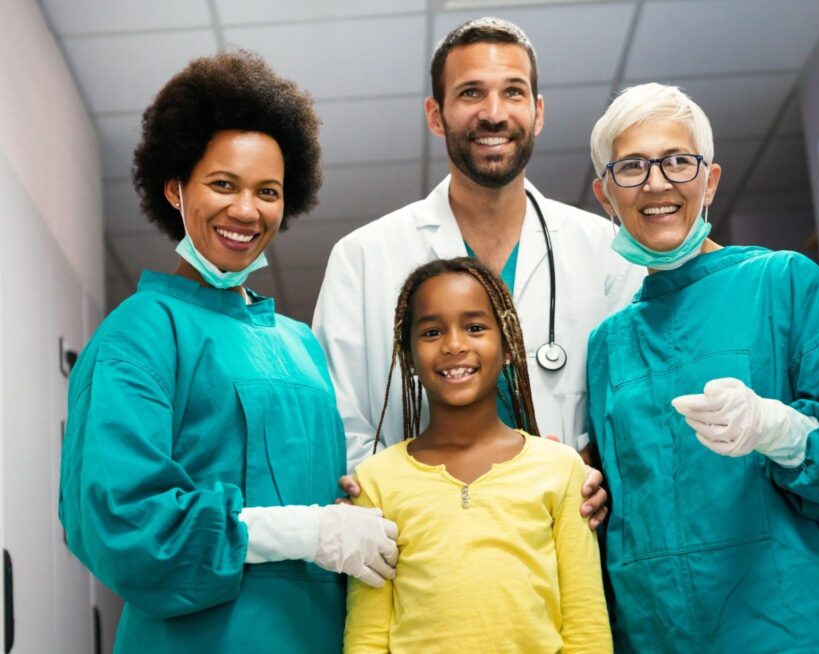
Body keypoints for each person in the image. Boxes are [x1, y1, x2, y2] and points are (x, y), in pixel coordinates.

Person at [57, 51, 398, 653]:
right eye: (222, 184)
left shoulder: (299, 345)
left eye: (268, 191)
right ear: (174, 189)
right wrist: (302, 531)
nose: (246, 210)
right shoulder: (137, 334)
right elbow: (123, 523)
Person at [585, 83, 819, 652]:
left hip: (790, 631)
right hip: (655, 636)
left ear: (710, 180)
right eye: (632, 167)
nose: (657, 183)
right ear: (605, 196)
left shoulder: (785, 284)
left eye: (677, 161)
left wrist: (785, 432)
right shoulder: (608, 345)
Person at [312, 18, 644, 527]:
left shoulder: (605, 250)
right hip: (421, 547)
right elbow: (341, 423)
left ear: (537, 113)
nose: (493, 114)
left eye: (513, 92)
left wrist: (599, 468)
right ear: (436, 114)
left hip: (568, 535)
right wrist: (398, 498)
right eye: (470, 93)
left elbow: (632, 405)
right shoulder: (362, 256)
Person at [344, 257, 612, 653]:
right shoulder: (375, 481)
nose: (455, 345)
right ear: (409, 357)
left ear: (507, 346)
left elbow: (585, 624)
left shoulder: (561, 469)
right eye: (432, 331)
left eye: (474, 327)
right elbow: (367, 635)